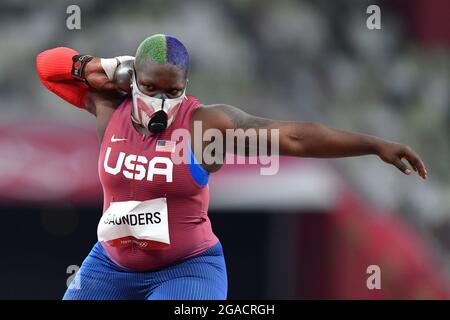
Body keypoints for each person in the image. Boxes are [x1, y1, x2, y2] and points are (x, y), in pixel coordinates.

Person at [36, 34, 427, 300]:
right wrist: (98, 66)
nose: (161, 102)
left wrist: (373, 145)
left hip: (185, 271)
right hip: (110, 264)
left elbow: (293, 137)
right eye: (151, 88)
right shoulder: (109, 107)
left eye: (173, 91)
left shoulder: (204, 125)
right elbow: (47, 66)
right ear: (132, 80)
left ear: (185, 87)